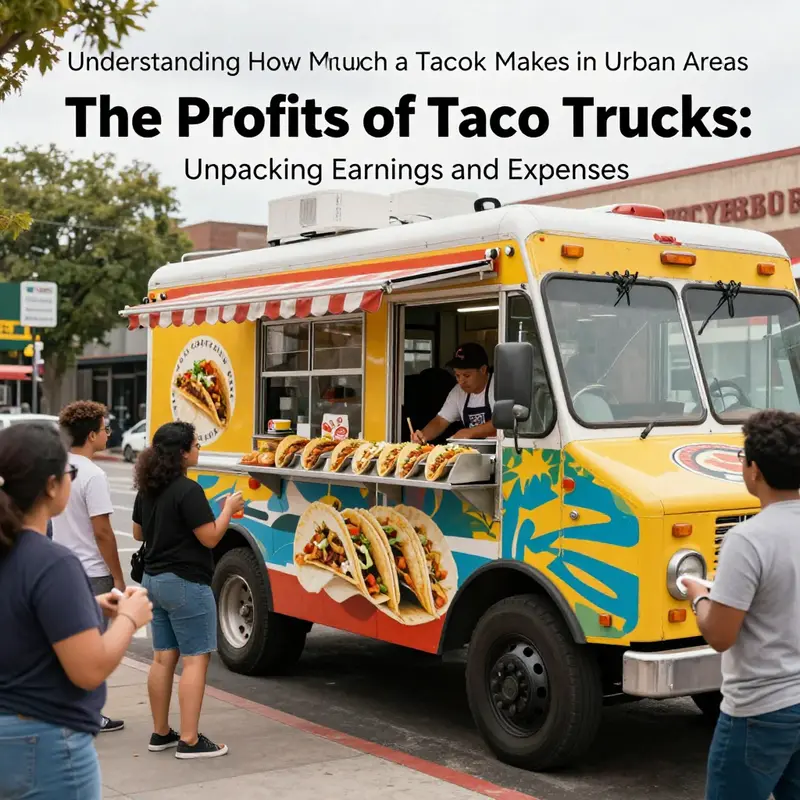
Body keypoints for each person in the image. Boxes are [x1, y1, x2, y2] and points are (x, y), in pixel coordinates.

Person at [0, 423, 152, 800]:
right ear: (52, 486)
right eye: (70, 473)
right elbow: (89, 669)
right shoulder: (52, 563)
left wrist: (87, 608)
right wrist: (130, 617)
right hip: (46, 743)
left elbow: (17, 622)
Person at [684, 409, 800, 800]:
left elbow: (719, 635)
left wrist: (699, 595)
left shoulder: (748, 539)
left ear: (754, 470)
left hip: (759, 710)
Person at [133, 421, 244, 759]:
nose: (199, 449)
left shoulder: (148, 487)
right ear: (182, 452)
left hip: (153, 580)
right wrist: (227, 509)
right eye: (195, 445)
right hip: (185, 583)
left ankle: (161, 732)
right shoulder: (188, 490)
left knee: (163, 657)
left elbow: (138, 534)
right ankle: (191, 740)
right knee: (196, 660)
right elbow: (210, 537)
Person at [52, 400, 126, 733]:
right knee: (93, 650)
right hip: (92, 573)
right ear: (93, 434)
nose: (109, 433)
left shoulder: (56, 467)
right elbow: (103, 532)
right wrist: (118, 576)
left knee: (64, 645)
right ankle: (87, 713)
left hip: (59, 569)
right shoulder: (93, 475)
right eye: (106, 428)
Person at [411, 343, 496, 443]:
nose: (461, 381)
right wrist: (423, 435)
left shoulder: (500, 386)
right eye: (457, 375)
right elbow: (440, 421)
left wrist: (470, 432)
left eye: (467, 375)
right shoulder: (458, 392)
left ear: (483, 370)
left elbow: (504, 423)